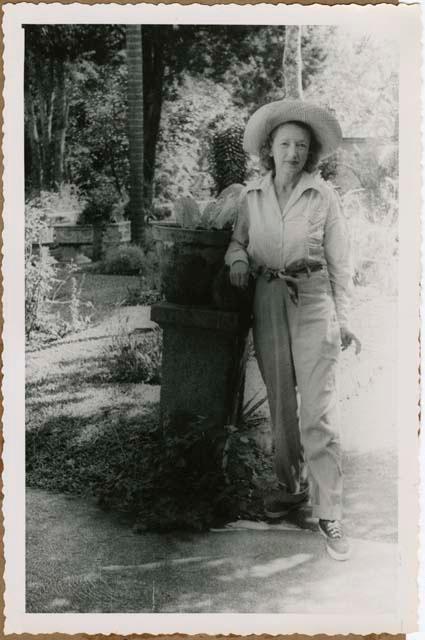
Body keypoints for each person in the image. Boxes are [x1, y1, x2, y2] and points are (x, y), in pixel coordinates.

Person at [225, 99, 361, 561]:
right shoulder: (252, 195)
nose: (293, 152)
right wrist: (239, 260)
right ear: (270, 148)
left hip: (314, 297)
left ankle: (329, 511)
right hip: (267, 299)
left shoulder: (324, 196)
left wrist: (347, 317)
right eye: (285, 143)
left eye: (302, 145)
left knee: (317, 412)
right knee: (281, 401)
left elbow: (342, 263)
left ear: (311, 152)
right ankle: (290, 489)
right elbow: (237, 242)